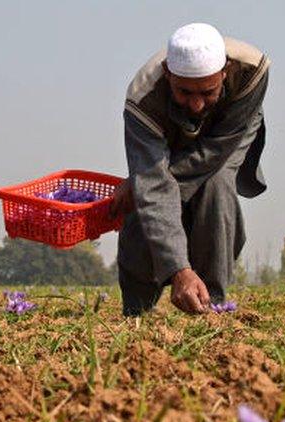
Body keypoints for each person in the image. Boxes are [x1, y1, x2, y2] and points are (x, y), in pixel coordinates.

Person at [109, 23, 269, 316]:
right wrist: (149, 186)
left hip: (227, 133)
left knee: (216, 183)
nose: (196, 105)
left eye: (208, 92)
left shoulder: (251, 71)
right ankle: (137, 307)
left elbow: (213, 152)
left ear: (225, 72)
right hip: (168, 136)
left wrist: (144, 183)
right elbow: (157, 190)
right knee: (148, 200)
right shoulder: (142, 100)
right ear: (168, 73)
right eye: (184, 92)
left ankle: (211, 303)